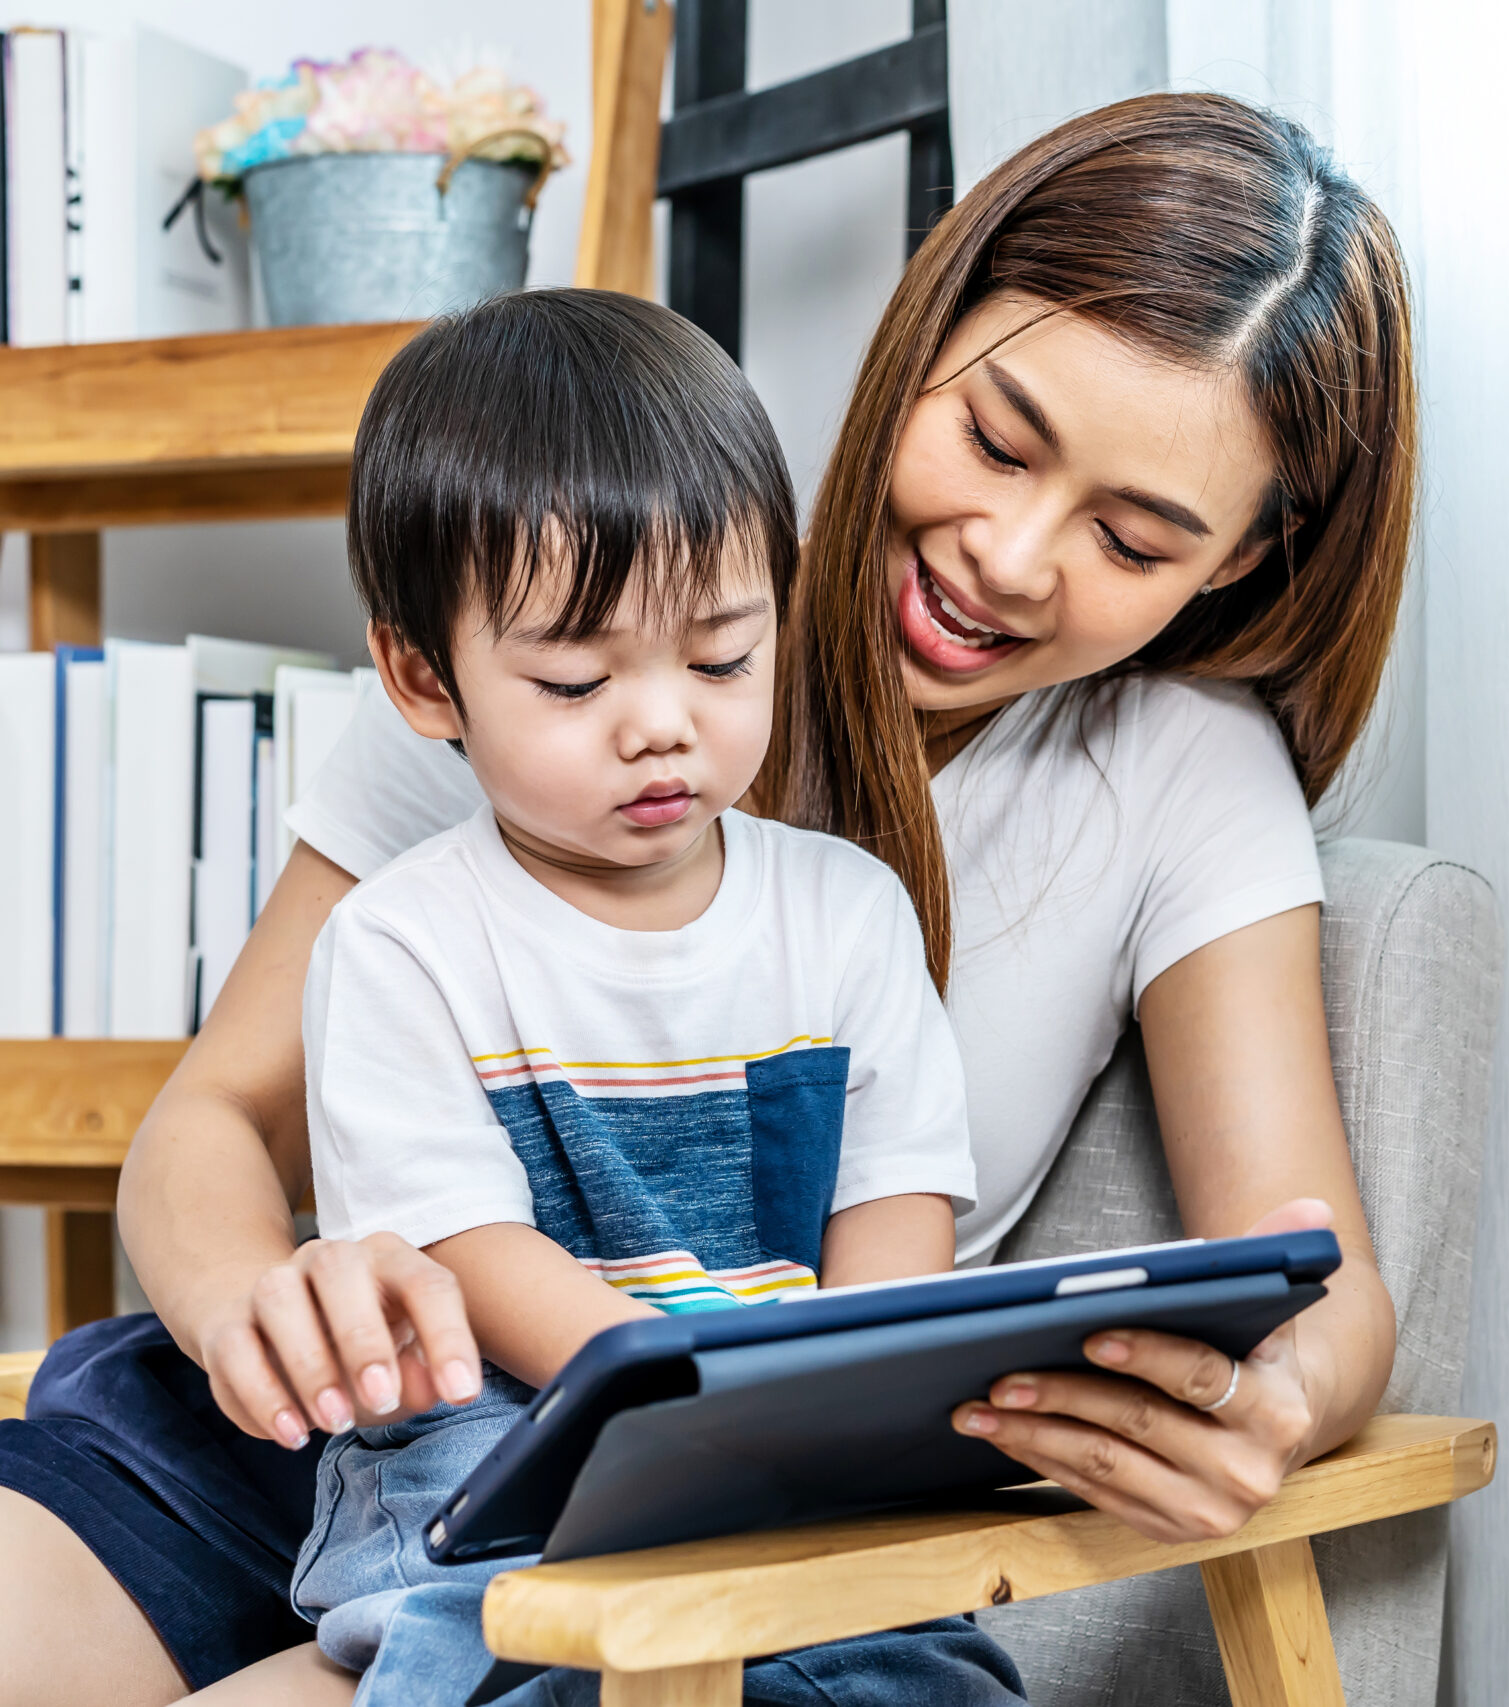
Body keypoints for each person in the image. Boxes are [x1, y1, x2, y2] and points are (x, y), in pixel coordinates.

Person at [0, 93, 1418, 1707]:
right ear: (930, 326)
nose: (1009, 554)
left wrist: (1271, 1404)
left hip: (694, 1507)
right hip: (329, 1424)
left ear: (1244, 560)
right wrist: (256, 1310)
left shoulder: (1177, 774)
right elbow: (211, 1124)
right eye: (994, 436)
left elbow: (1322, 1281)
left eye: (1134, 539)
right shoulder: (560, 606)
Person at [280, 290, 1015, 1706]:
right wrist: (697, 1410)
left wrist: (835, 1419)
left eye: (724, 656)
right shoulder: (398, 942)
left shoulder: (848, 911)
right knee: (512, 1645)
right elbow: (468, 1250)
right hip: (503, 1440)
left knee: (926, 1664)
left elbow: (896, 1216)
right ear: (424, 678)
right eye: (573, 679)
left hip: (786, 1432)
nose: (663, 719)